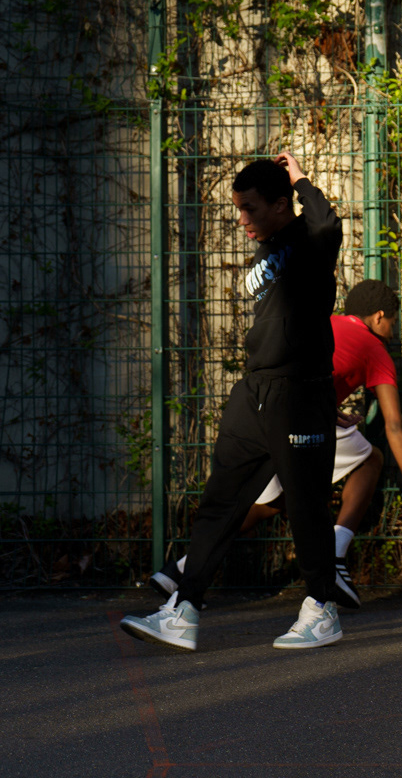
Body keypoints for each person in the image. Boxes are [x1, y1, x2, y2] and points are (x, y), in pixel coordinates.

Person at [121, 153, 349, 653]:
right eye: (238, 208)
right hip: (255, 391)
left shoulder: (311, 242)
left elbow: (328, 224)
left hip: (299, 392)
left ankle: (322, 608)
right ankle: (183, 609)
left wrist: (300, 178)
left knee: (306, 505)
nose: (242, 219)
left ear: (281, 203)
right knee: (221, 501)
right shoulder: (270, 247)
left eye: (250, 208)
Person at [147, 279, 402, 602]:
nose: (393, 333)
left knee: (271, 501)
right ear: (379, 316)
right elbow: (394, 424)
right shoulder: (375, 349)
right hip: (301, 416)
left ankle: (180, 570)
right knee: (372, 459)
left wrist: (328, 409)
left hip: (259, 410)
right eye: (393, 323)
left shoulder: (323, 323)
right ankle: (335, 555)